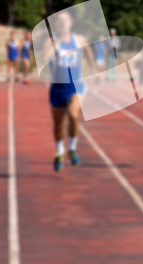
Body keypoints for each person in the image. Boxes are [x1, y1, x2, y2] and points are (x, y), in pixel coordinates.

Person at [43, 11, 95, 172]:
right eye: (59, 21)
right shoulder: (50, 41)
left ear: (71, 22)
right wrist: (57, 41)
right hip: (57, 88)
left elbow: (88, 52)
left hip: (75, 86)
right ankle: (59, 151)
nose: (62, 23)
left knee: (73, 114)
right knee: (58, 124)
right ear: (55, 24)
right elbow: (45, 58)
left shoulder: (78, 40)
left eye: (65, 20)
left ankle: (72, 148)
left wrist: (94, 69)